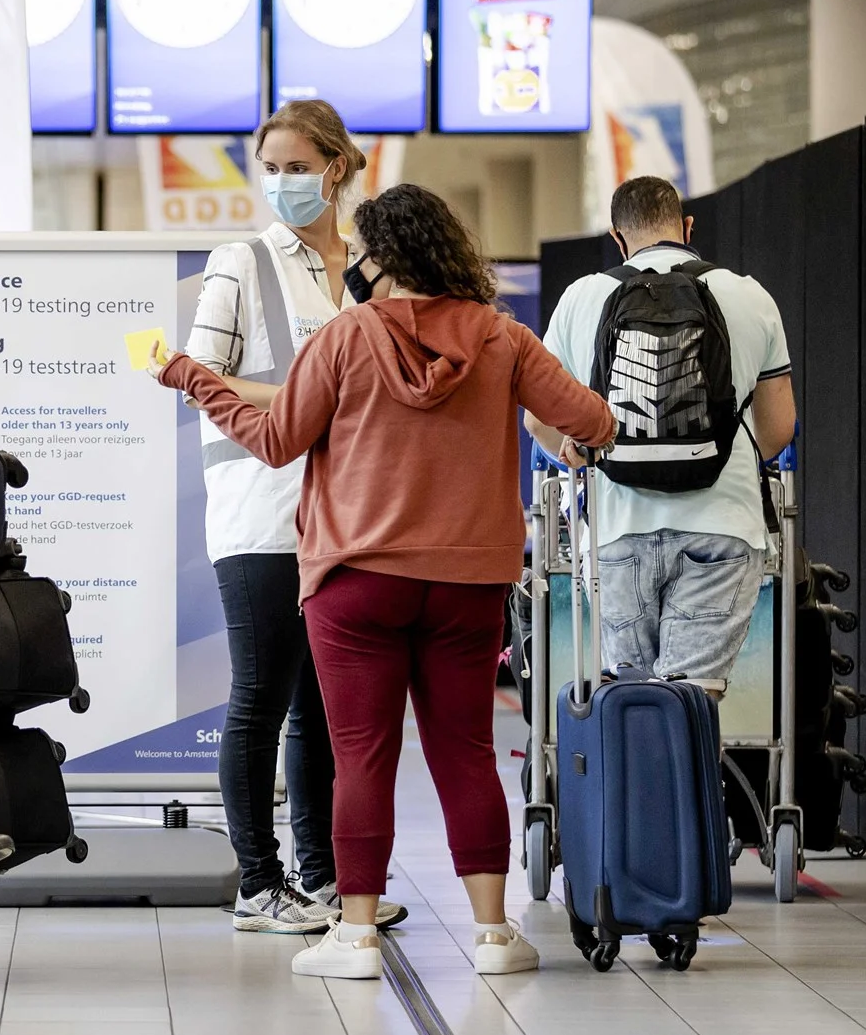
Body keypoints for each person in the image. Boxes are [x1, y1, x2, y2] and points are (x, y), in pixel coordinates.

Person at [151, 183, 616, 981]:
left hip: (356, 578)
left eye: (362, 254)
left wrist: (195, 377)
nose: (353, 267)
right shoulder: (503, 339)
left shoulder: (343, 338)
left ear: (385, 257)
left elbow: (274, 440)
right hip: (469, 580)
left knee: (362, 754)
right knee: (466, 751)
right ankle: (496, 934)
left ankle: (354, 935)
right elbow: (593, 421)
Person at [182, 100, 393, 934]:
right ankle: (256, 882)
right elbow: (200, 377)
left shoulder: (372, 271)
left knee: (322, 708)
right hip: (262, 512)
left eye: (295, 165)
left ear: (337, 168)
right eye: (268, 166)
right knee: (261, 694)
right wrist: (318, 398)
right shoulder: (242, 260)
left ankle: (325, 878)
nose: (279, 181)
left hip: (351, 515)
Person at [523, 176, 796, 698]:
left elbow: (539, 418)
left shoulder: (582, 298)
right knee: (692, 704)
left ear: (618, 238)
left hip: (616, 528)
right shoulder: (748, 295)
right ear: (688, 228)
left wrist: (578, 452)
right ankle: (687, 776)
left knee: (630, 702)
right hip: (724, 526)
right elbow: (778, 427)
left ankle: (637, 779)